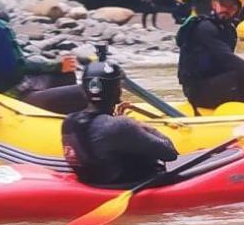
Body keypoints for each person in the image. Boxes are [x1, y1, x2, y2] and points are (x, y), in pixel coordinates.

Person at [61, 49, 179, 186]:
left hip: (93, 183)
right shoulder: (120, 126)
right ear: (117, 91)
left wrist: (118, 121)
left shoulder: (69, 121)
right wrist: (139, 125)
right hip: (127, 186)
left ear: (84, 90)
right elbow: (170, 152)